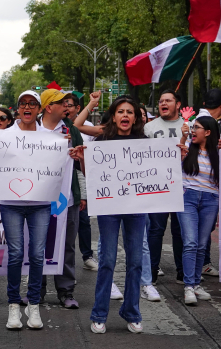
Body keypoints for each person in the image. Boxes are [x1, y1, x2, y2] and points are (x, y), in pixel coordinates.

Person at [72, 97, 147, 334]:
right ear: (113, 116)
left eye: (130, 112)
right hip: (110, 208)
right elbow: (91, 174)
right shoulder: (102, 138)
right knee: (107, 261)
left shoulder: (145, 142)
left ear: (136, 118)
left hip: (136, 209)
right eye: (121, 111)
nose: (125, 116)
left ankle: (132, 312)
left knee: (135, 263)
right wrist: (83, 160)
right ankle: (99, 314)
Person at [1, 90, 50, 330]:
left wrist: (70, 153)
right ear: (17, 109)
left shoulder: (51, 137)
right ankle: (13, 305)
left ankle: (34, 305)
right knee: (16, 254)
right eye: (23, 104)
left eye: (32, 104)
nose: (27, 107)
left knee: (38, 255)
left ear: (39, 110)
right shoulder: (4, 135)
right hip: (11, 204)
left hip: (40, 204)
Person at [39, 89, 84, 309]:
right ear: (49, 107)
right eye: (61, 102)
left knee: (66, 245)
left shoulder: (72, 130)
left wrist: (77, 155)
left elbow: (82, 166)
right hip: (37, 197)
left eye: (68, 103)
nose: (67, 106)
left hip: (68, 197)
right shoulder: (31, 130)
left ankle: (66, 292)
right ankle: (36, 290)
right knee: (38, 244)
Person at [176, 116, 220, 305]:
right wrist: (183, 139)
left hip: (211, 200)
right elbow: (172, 163)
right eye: (193, 127)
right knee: (191, 243)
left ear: (208, 132)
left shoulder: (219, 153)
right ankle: (188, 287)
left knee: (202, 245)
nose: (194, 130)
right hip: (188, 199)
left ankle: (195, 284)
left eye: (198, 128)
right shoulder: (186, 150)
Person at [144, 90, 184, 285]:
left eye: (168, 100)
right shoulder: (149, 127)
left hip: (183, 185)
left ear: (178, 104)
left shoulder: (189, 126)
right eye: (161, 101)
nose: (163, 103)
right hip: (157, 185)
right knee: (156, 229)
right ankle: (150, 272)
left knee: (180, 230)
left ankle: (182, 272)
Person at [64, 94, 98, 272]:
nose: (66, 109)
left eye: (70, 105)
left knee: (83, 220)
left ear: (78, 108)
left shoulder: (88, 128)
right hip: (59, 179)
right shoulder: (55, 126)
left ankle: (87, 256)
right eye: (64, 105)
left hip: (80, 175)